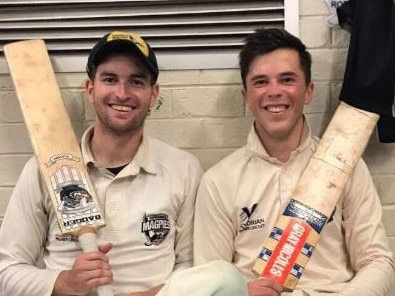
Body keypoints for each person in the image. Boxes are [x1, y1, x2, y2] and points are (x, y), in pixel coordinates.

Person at [0, 31, 247, 296]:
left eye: (136, 82)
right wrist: (63, 282)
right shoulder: (43, 170)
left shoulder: (183, 169)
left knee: (225, 278)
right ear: (91, 89)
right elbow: (6, 272)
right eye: (110, 79)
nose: (122, 93)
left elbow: (189, 268)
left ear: (153, 94)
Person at [193, 28, 394, 296]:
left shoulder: (346, 164)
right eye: (261, 82)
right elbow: (210, 282)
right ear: (245, 96)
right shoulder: (218, 181)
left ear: (308, 91)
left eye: (287, 79)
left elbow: (377, 262)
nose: (274, 91)